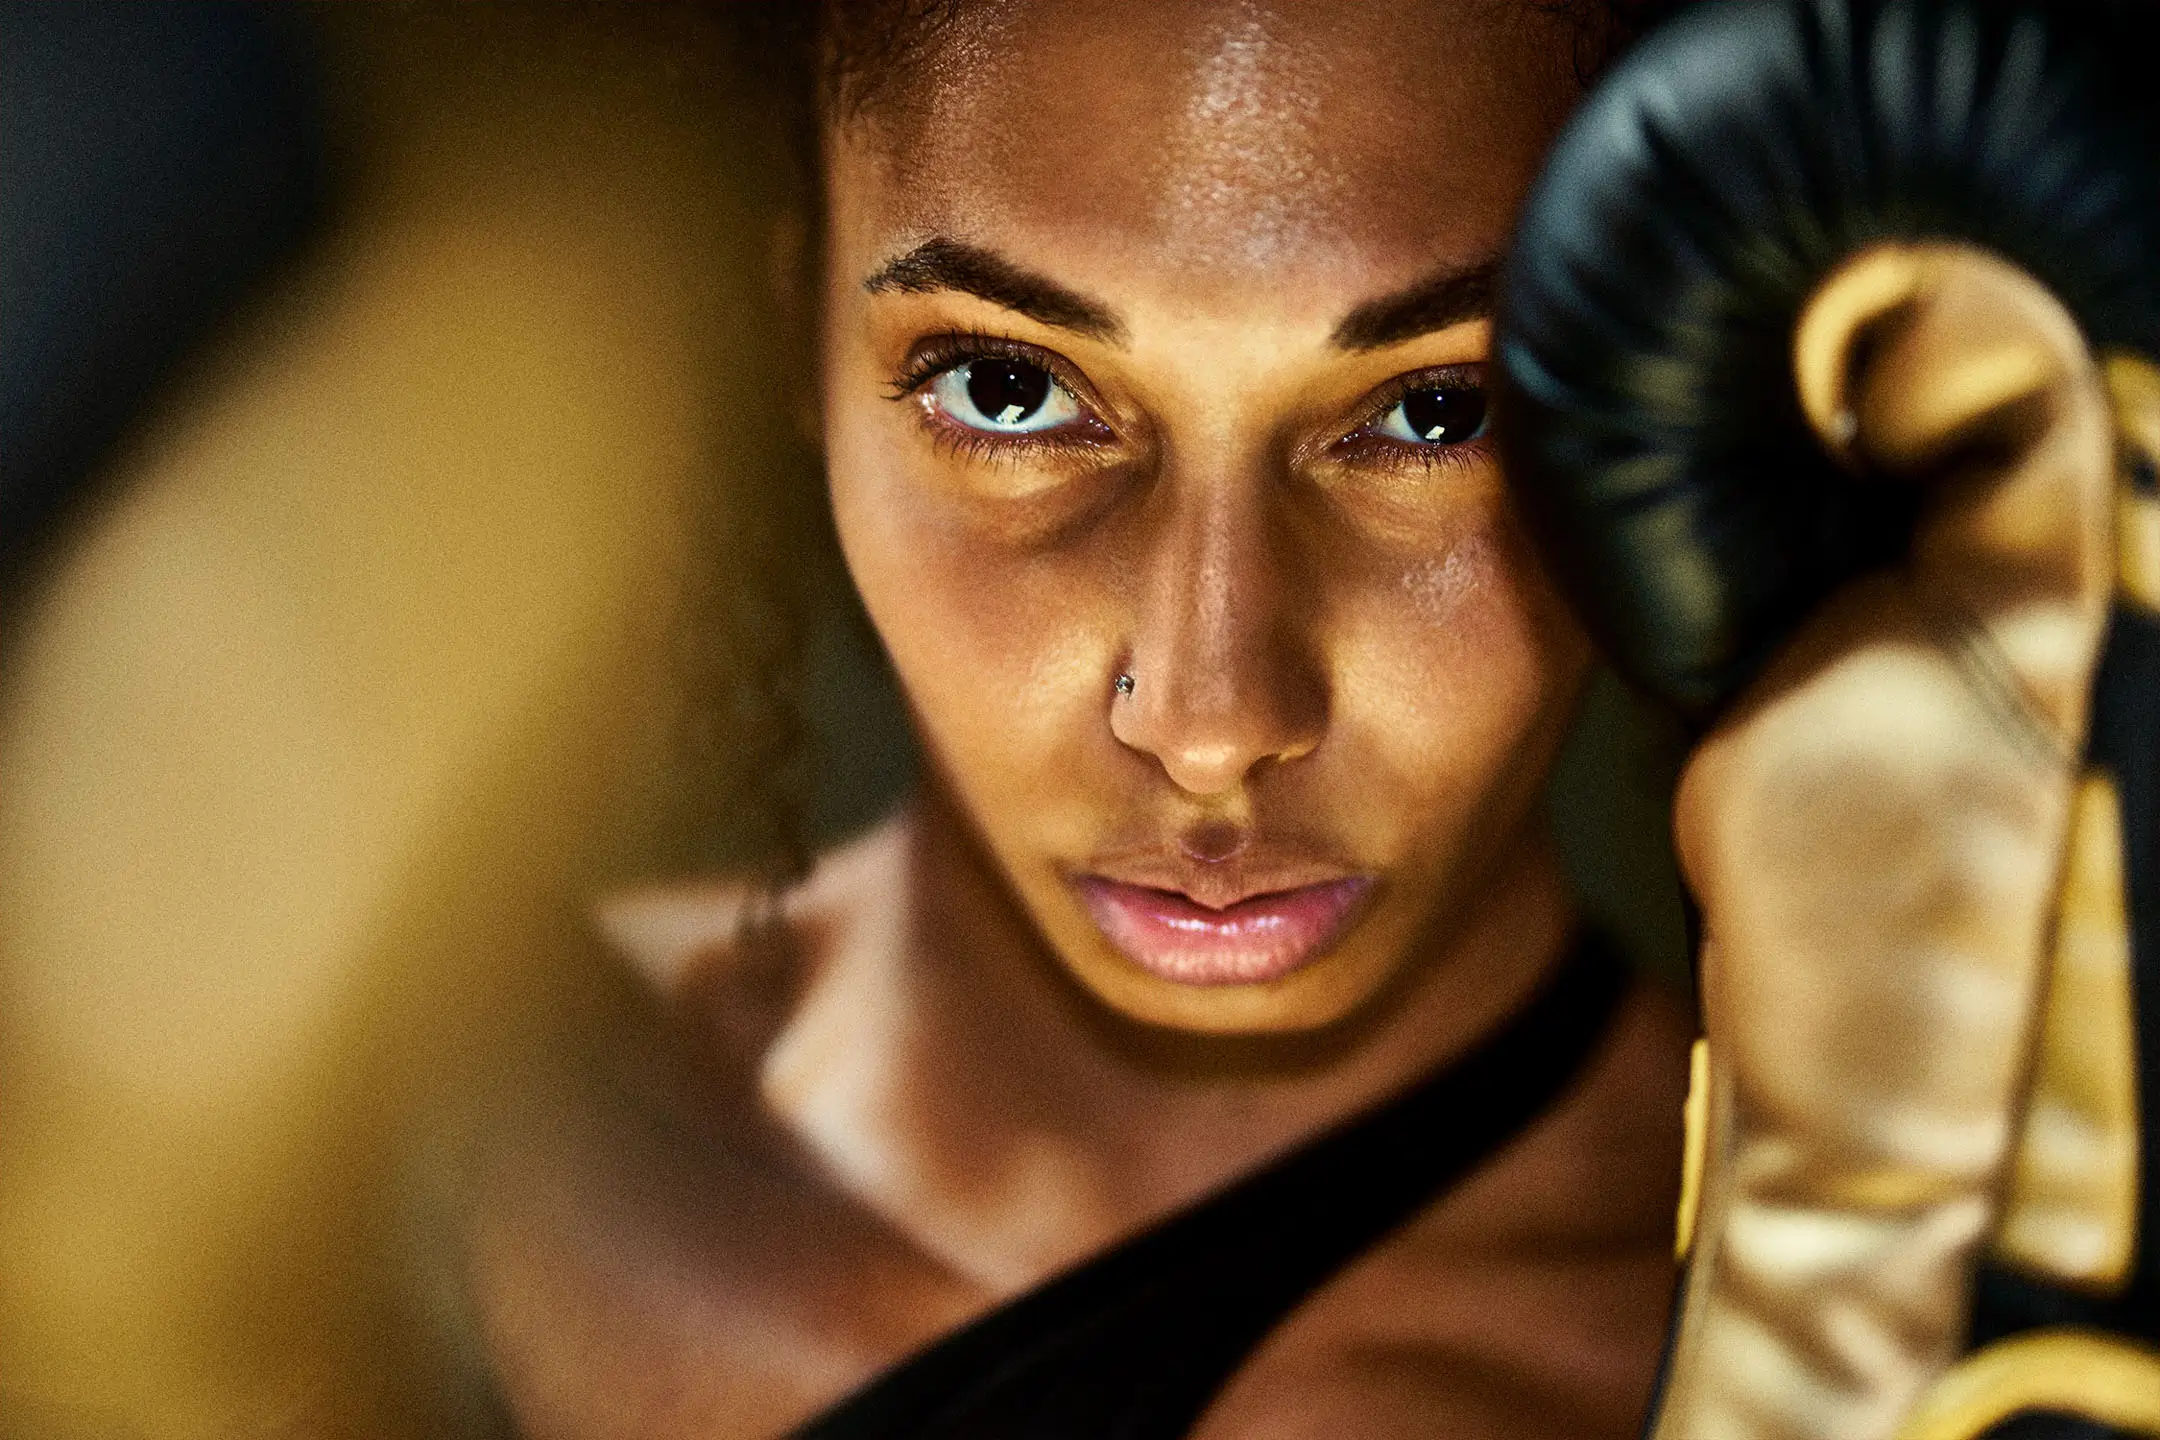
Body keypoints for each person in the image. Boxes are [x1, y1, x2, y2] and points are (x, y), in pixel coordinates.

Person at [456, 2, 1695, 1435]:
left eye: (1436, 412)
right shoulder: (387, 1153)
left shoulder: (1829, 1365)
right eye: (1008, 388)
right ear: (792, 336)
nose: (1210, 718)